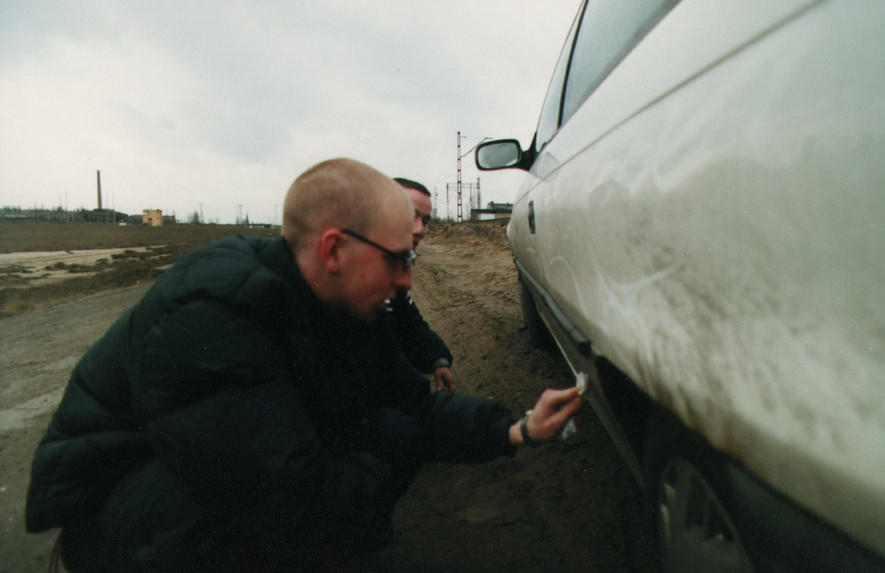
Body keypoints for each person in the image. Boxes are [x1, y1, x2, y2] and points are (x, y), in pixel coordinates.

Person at [25, 158, 582, 572]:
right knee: (276, 505)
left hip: (219, 479)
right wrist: (375, 467)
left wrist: (516, 428)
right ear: (334, 249)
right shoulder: (215, 313)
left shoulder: (346, 305)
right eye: (397, 259)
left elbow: (409, 401)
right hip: (121, 512)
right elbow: (284, 497)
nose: (408, 279)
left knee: (390, 428)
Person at [388, 177, 455, 392]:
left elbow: (408, 319)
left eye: (425, 221)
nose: (421, 231)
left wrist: (437, 358)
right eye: (410, 216)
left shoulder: (392, 266)